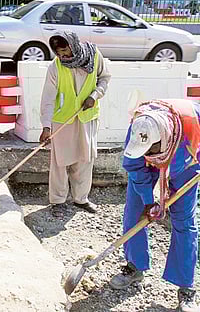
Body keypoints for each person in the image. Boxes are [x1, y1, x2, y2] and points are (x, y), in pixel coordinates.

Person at [110, 99, 200, 312]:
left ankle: (185, 287)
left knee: (184, 223)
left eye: (150, 149)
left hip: (186, 159)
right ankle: (135, 266)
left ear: (162, 140)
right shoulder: (139, 125)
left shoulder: (192, 120)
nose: (146, 152)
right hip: (149, 165)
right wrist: (149, 201)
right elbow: (133, 164)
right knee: (134, 212)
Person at [39, 30, 111, 215]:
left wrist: (95, 96)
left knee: (85, 158)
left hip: (87, 116)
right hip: (62, 119)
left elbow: (104, 78)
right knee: (60, 162)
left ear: (73, 45)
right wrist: (46, 126)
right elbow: (47, 98)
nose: (63, 56)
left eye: (65, 51)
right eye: (59, 53)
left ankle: (81, 199)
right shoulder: (55, 67)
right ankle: (58, 201)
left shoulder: (94, 56)